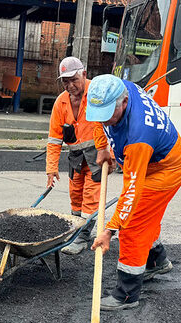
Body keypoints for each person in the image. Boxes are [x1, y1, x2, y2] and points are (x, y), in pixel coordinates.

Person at [86, 74, 181, 311]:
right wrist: (102, 148)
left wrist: (110, 230)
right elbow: (99, 118)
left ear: (123, 103)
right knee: (146, 216)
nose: (105, 121)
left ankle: (126, 294)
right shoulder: (118, 89)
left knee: (133, 224)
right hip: (158, 158)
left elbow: (130, 192)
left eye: (109, 115)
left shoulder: (138, 137)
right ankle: (156, 261)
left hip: (166, 169)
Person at [46, 57, 111, 255]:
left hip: (97, 156)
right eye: (65, 81)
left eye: (73, 79)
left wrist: (110, 152)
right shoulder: (61, 102)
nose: (70, 85)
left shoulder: (96, 94)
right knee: (75, 196)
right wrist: (51, 168)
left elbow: (109, 126)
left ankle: (83, 236)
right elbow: (54, 139)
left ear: (84, 74)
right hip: (75, 157)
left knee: (91, 197)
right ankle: (76, 229)